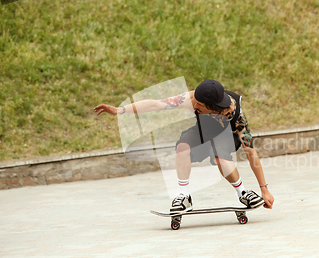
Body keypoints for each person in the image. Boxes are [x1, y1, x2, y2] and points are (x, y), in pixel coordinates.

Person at [94, 79, 274, 213]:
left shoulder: (236, 115)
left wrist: (264, 189)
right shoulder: (191, 99)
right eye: (194, 102)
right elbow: (156, 104)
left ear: (213, 107)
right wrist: (120, 110)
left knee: (220, 156)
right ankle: (183, 196)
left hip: (225, 135)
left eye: (199, 105)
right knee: (182, 147)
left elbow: (250, 151)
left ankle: (243, 193)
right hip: (203, 131)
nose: (194, 106)